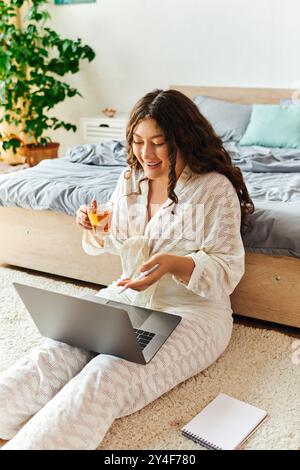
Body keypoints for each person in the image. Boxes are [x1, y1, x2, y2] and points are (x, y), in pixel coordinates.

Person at [0, 89, 254, 450]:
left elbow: (227, 269)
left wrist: (173, 264)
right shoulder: (129, 182)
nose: (145, 154)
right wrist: (98, 227)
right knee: (56, 352)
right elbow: (123, 236)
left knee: (108, 372)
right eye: (137, 141)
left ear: (183, 137)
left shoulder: (214, 189)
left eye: (158, 143)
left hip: (192, 312)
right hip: (128, 298)